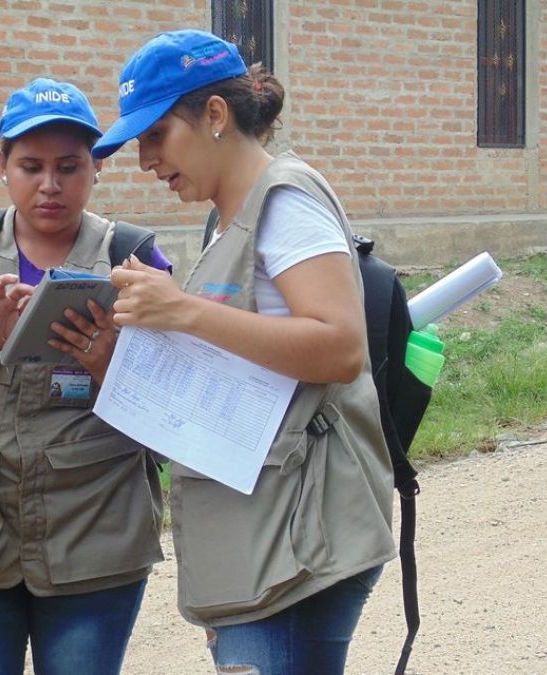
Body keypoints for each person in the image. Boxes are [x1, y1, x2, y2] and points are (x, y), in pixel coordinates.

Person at [91, 30, 397, 675]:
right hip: (261, 539)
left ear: (215, 115)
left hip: (298, 540)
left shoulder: (284, 201)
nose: (145, 160)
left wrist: (183, 309)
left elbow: (341, 347)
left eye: (155, 135)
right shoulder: (229, 217)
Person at [0, 78, 170, 675]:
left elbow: (175, 415)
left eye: (70, 167)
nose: (50, 185)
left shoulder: (135, 259)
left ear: (96, 169)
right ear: (2, 165)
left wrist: (106, 363)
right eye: (30, 166)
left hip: (97, 547)